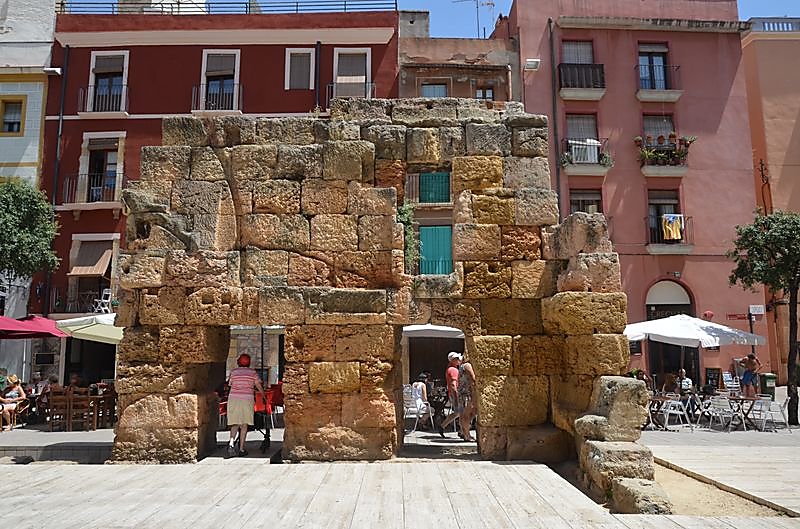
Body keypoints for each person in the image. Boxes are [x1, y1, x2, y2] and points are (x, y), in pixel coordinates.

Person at [226, 354, 265, 458]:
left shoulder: (234, 372)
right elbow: (258, 385)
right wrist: (264, 396)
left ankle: (231, 443)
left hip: (233, 398)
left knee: (235, 423)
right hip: (247, 399)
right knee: (244, 424)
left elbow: (230, 384)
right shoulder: (252, 373)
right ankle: (241, 449)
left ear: (238, 362)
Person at [439, 352, 463, 437]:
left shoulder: (450, 369)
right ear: (453, 360)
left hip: (452, 394)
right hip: (455, 394)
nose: (459, 360)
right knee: (461, 413)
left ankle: (443, 426)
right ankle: (461, 431)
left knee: (458, 413)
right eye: (457, 359)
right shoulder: (453, 370)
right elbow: (453, 385)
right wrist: (456, 396)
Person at [456, 355, 477, 442]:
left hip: (463, 393)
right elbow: (473, 378)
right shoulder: (467, 365)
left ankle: (465, 433)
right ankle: (467, 435)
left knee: (465, 415)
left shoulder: (462, 366)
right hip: (467, 394)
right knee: (467, 415)